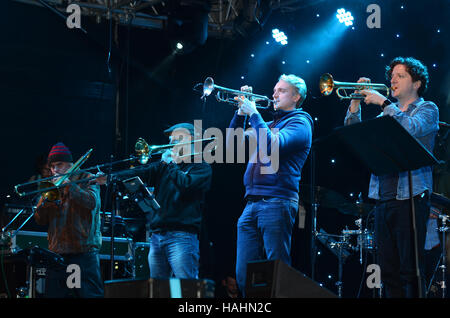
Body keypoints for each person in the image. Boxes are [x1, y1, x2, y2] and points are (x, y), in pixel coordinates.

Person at [344, 57, 439, 297]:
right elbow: (354, 136)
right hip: (383, 200)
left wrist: (385, 102)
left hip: (412, 198)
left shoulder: (428, 109)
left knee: (410, 270)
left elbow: (411, 129)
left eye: (400, 76)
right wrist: (355, 103)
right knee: (388, 272)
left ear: (416, 83)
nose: (392, 80)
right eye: (392, 76)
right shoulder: (386, 116)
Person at [228, 74, 313, 295]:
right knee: (243, 275)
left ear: (296, 97)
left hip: (277, 202)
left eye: (282, 91)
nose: (274, 94)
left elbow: (273, 145)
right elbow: (232, 144)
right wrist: (240, 112)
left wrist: (254, 113)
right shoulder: (267, 124)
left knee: (276, 271)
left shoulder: (301, 122)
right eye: (275, 90)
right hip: (251, 204)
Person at [97, 123, 212, 280]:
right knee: (158, 290)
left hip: (182, 237)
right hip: (157, 237)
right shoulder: (163, 166)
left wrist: (171, 163)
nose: (171, 143)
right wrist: (109, 177)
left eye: (177, 139)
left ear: (191, 140)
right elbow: (140, 172)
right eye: (170, 140)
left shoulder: (201, 167)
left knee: (187, 288)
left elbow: (185, 185)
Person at [34, 142, 103, 298]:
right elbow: (39, 219)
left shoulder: (87, 178)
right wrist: (46, 202)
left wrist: (70, 186)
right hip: (57, 256)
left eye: (59, 164)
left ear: (70, 164)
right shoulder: (51, 185)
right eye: (52, 167)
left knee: (85, 295)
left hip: (82, 254)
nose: (55, 170)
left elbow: (92, 203)